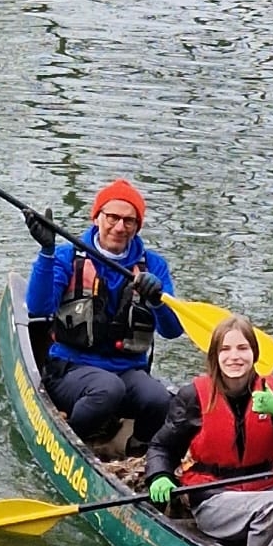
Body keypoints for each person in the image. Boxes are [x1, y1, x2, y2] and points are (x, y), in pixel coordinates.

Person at [143, 316, 273, 546]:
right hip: (214, 498)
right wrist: (159, 475)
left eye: (242, 348)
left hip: (269, 487)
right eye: (225, 349)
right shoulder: (193, 396)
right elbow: (162, 447)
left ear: (254, 353)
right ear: (215, 356)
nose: (234, 357)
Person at [23, 178, 183, 447]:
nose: (119, 227)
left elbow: (172, 331)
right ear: (97, 217)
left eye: (129, 221)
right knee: (107, 389)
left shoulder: (154, 266)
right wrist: (46, 253)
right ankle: (72, 441)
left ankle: (137, 450)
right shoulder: (67, 256)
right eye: (112, 217)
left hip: (128, 370)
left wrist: (157, 301)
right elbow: (39, 308)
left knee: (159, 400)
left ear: (137, 226)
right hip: (69, 370)